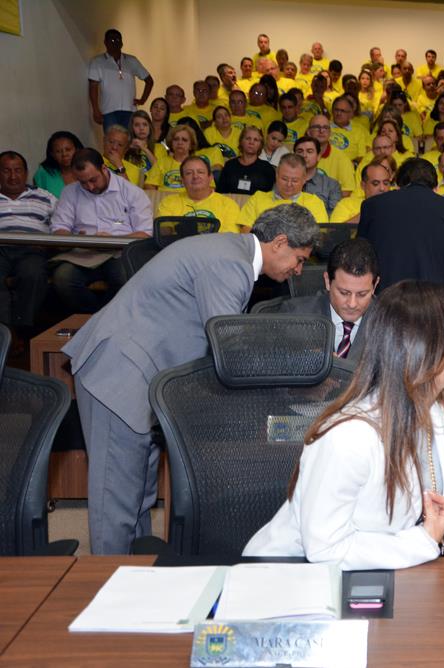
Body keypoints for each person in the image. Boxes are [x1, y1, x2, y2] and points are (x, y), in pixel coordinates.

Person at [65, 204, 317, 555]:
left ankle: (133, 574)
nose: (298, 270)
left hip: (141, 378)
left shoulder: (230, 252)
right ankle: (107, 581)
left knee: (139, 496)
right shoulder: (230, 265)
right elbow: (229, 350)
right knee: (116, 502)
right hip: (119, 375)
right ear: (279, 242)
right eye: (299, 259)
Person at [244, 280, 444, 566]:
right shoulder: (349, 437)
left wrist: (424, 539)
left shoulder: (435, 413)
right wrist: (423, 541)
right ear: (421, 345)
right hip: (288, 575)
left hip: (369, 572)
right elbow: (325, 550)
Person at [51, 148, 152, 313]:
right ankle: (93, 317)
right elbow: (58, 230)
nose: (90, 187)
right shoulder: (70, 192)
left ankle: (106, 318)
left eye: (93, 180)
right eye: (83, 182)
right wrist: (76, 239)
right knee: (63, 278)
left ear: (104, 169)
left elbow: (145, 234)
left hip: (119, 252)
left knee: (125, 278)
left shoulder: (131, 192)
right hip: (83, 253)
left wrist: (113, 241)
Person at [358, 158, 444, 295]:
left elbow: (362, 258)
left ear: (399, 184)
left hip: (385, 299)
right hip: (434, 301)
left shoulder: (372, 206)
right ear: (435, 187)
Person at [279, 238, 379, 361]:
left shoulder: (391, 322)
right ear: (327, 281)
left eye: (362, 294)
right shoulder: (295, 317)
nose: (352, 304)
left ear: (375, 285)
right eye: (344, 293)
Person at [0, 150, 56, 333]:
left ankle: (21, 329)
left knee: (33, 274)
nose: (13, 176)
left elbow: (62, 224)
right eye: (6, 171)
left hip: (33, 249)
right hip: (1, 249)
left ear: (26, 173)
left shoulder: (45, 197)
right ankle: (5, 331)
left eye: (17, 170)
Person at [238, 154, 328, 232]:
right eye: (284, 179)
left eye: (295, 180)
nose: (289, 184)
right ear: (276, 175)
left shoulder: (314, 203)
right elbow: (246, 229)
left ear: (304, 179)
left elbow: (319, 234)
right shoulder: (258, 198)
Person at [88, 29, 153, 131]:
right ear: (105, 42)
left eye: (118, 40)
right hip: (108, 111)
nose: (115, 42)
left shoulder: (131, 60)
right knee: (112, 139)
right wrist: (95, 110)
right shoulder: (97, 62)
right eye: (112, 40)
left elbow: (149, 81)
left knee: (129, 139)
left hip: (129, 110)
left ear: (122, 42)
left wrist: (142, 100)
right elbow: (93, 86)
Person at [155, 156, 241, 233]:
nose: (195, 176)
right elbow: (163, 234)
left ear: (210, 177)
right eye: (189, 173)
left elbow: (229, 239)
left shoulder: (228, 205)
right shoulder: (168, 202)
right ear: (182, 180)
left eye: (200, 172)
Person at [329, 158, 393, 223]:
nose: (382, 188)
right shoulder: (346, 204)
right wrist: (367, 213)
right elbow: (334, 229)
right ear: (363, 185)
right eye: (375, 184)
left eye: (386, 183)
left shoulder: (396, 205)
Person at [217, 126, 276, 196]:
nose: (251, 142)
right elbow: (220, 194)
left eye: (256, 140)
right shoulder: (229, 165)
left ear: (260, 145)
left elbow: (272, 196)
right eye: (248, 138)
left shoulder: (267, 168)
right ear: (241, 141)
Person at [293, 136, 341, 214]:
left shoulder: (332, 185)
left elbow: (334, 216)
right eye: (300, 151)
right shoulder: (283, 182)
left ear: (318, 156)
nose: (304, 155)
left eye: (309, 151)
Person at [33, 131, 83, 198]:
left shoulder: (88, 168)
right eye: (58, 151)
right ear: (52, 154)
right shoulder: (43, 174)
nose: (64, 154)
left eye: (68, 149)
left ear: (77, 149)